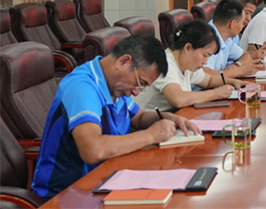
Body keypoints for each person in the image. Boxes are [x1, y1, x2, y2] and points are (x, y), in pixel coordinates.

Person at [32, 36, 199, 198]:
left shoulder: (115, 85)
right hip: (69, 193)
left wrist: (167, 118)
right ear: (123, 61)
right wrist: (151, 135)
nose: (136, 92)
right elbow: (93, 150)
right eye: (140, 82)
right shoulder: (82, 87)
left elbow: (139, 118)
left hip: (110, 177)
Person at [135, 21, 245, 112]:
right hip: (146, 124)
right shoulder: (165, 63)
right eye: (205, 55)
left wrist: (234, 82)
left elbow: (208, 80)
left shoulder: (186, 63)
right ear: (188, 48)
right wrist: (216, 94)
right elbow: (178, 99)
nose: (205, 62)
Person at [204, 0, 260, 79]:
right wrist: (238, 71)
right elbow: (205, 74)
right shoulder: (207, 39)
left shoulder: (226, 38)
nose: (242, 27)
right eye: (242, 23)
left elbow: (245, 56)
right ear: (232, 23)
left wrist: (236, 66)